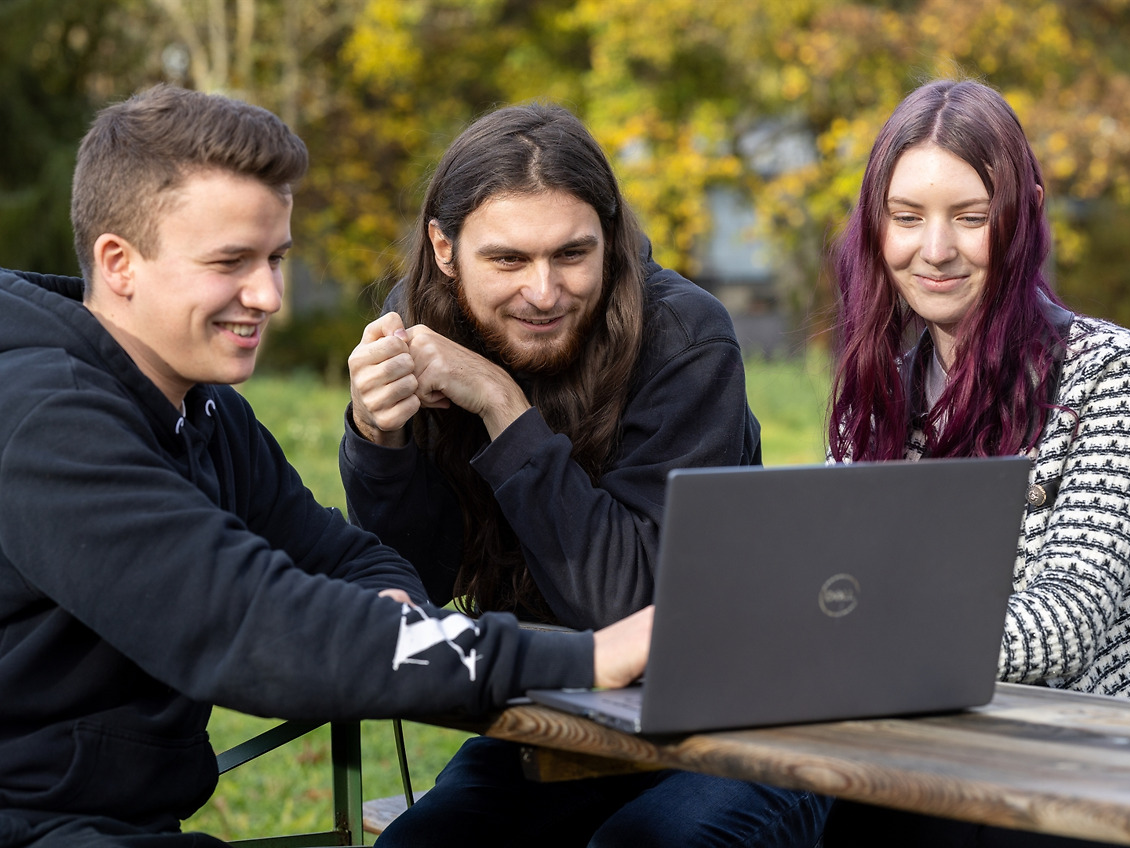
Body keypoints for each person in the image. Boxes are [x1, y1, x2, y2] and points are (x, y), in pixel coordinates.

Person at [0, 84, 652, 848]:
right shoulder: (45, 420)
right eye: (231, 262)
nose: (268, 295)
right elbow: (257, 625)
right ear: (119, 262)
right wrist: (590, 654)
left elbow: (340, 555)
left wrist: (387, 612)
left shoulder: (196, 408)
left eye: (276, 257)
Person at [342, 102, 829, 847]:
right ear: (444, 248)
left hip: (740, 719)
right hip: (566, 719)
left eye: (572, 254)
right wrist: (380, 439)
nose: (543, 292)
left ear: (609, 239)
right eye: (507, 260)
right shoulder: (418, 328)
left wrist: (503, 408)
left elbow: (627, 606)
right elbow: (414, 583)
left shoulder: (686, 339)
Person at [819, 78, 1130, 847]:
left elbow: (1065, 625)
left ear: (1023, 212)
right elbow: (837, 581)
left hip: (1107, 748)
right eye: (906, 218)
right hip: (934, 731)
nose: (935, 250)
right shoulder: (876, 395)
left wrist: (857, 639)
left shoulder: (1111, 370)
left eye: (970, 218)